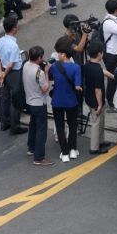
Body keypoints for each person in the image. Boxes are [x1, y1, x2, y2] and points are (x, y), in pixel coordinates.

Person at [50, 35, 83, 163]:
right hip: (72, 101)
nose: (58, 55)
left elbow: (50, 76)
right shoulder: (76, 68)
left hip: (57, 101)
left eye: (59, 53)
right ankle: (73, 149)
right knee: (72, 124)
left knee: (60, 126)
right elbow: (78, 85)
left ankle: (64, 153)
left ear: (63, 54)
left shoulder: (54, 67)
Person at [0, 16, 27, 135]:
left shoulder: (1, 40)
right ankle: (15, 126)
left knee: (5, 97)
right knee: (15, 100)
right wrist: (4, 73)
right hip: (14, 73)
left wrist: (1, 73)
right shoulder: (13, 45)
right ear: (14, 29)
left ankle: (5, 123)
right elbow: (11, 64)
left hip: (4, 70)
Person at [23, 46, 53, 166]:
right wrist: (46, 71)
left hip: (29, 101)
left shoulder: (25, 65)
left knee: (33, 124)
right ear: (39, 58)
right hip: (39, 103)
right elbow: (45, 88)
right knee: (41, 130)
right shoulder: (39, 72)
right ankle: (39, 157)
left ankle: (31, 147)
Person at [84, 41, 110, 155]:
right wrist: (99, 104)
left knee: (100, 121)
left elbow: (102, 71)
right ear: (99, 54)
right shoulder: (97, 71)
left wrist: (113, 76)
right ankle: (94, 147)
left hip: (89, 97)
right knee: (95, 123)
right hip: (95, 101)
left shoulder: (88, 65)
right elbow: (98, 89)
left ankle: (100, 141)